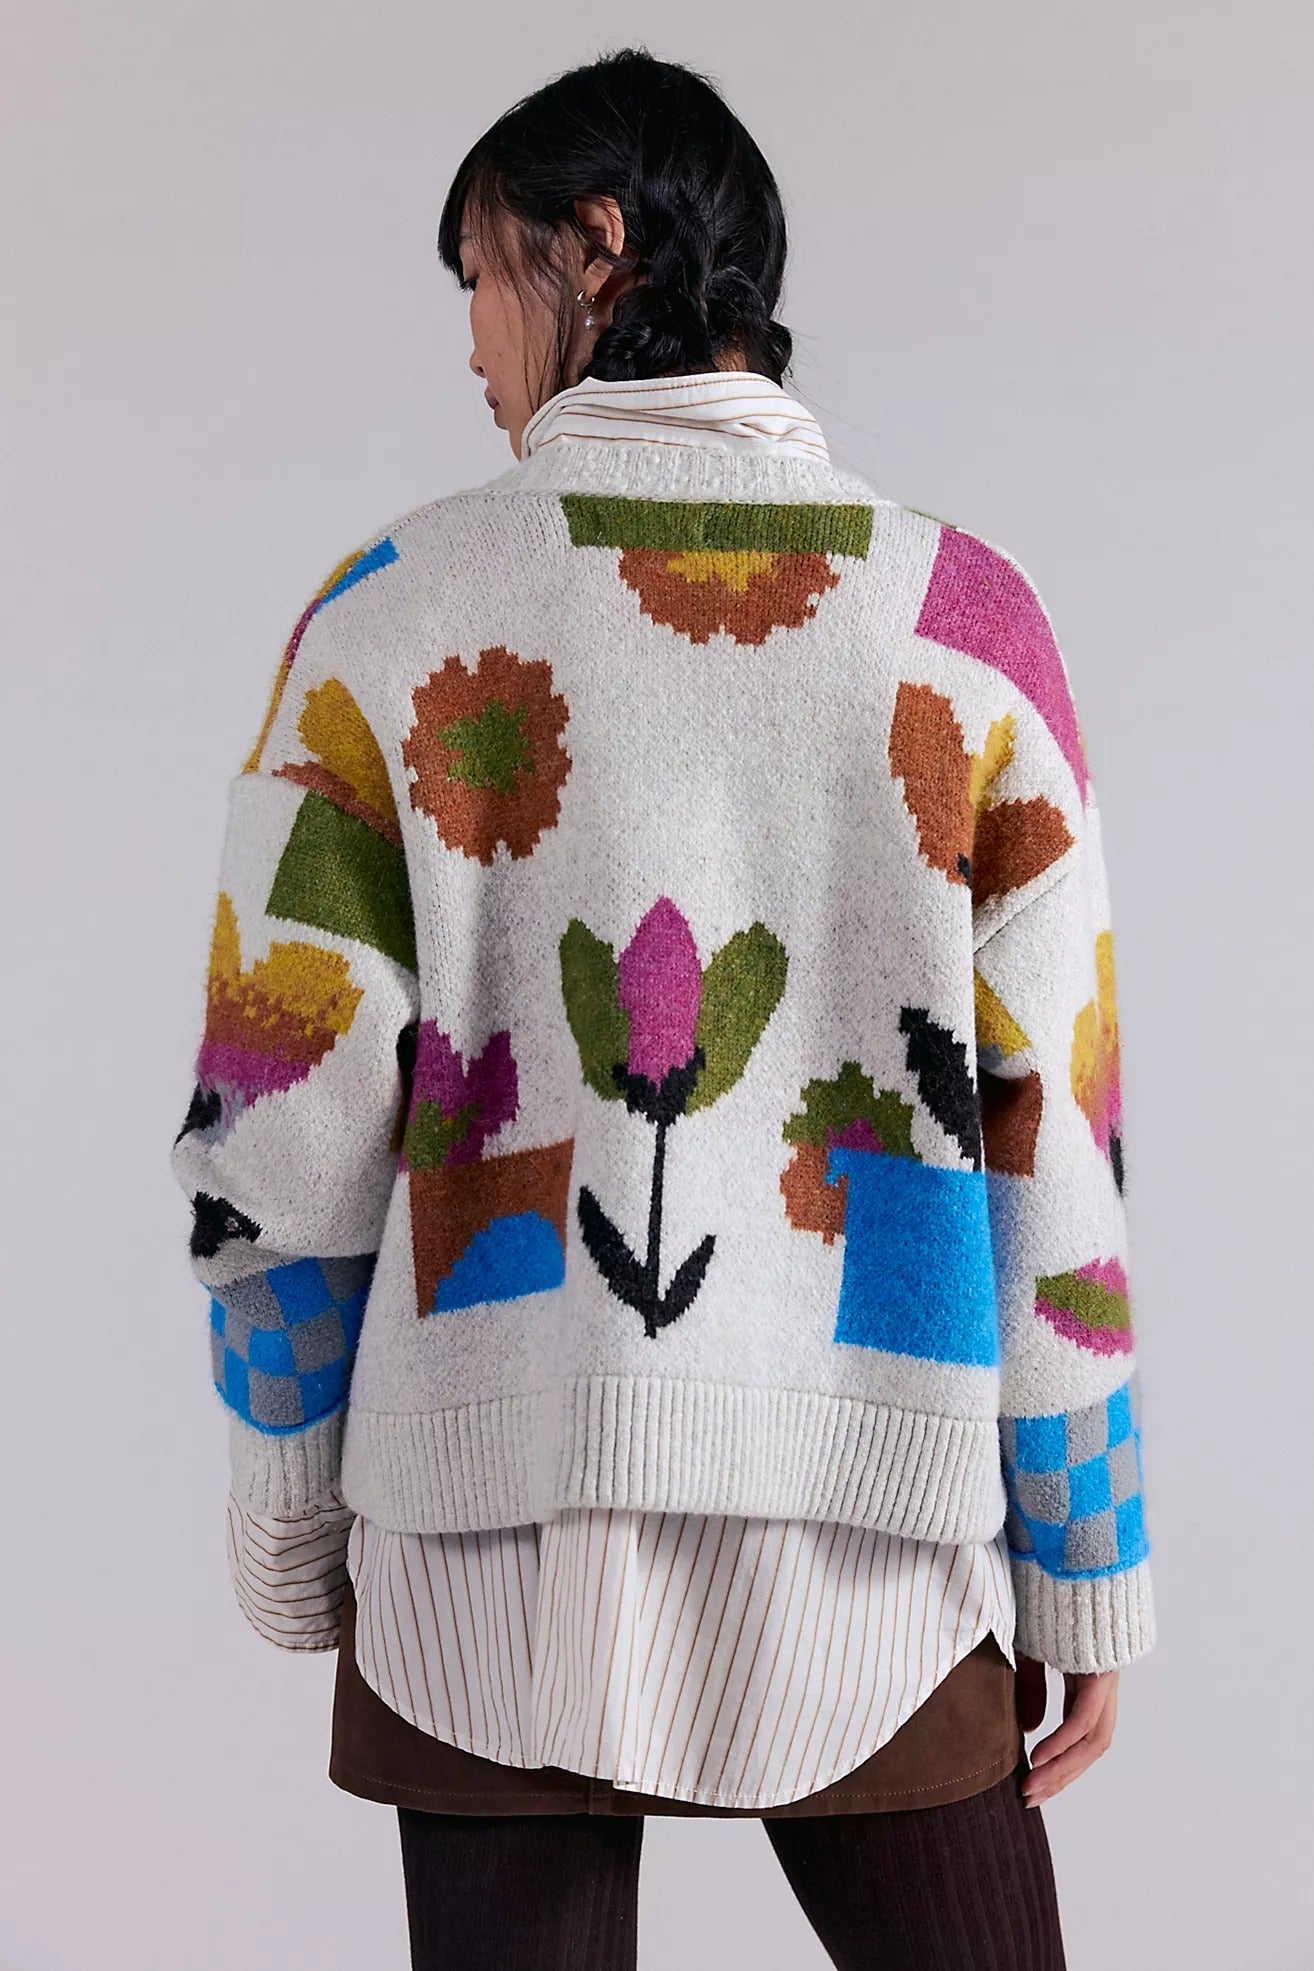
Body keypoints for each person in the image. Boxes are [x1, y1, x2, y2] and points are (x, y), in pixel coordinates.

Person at [171, 46, 1156, 1971]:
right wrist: (1083, 1554)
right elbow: (1052, 1136)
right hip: (873, 1527)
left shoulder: (388, 611)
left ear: (597, 245)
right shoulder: (964, 620)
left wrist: (288, 1516)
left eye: (481, 272)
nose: (469, 339)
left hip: (484, 1538)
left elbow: (276, 1126)